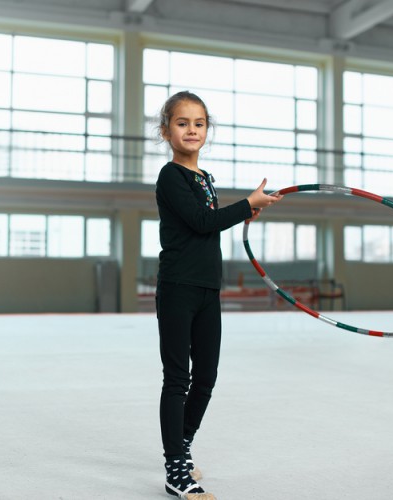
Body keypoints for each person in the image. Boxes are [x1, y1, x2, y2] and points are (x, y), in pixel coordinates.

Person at [154, 90, 282, 499]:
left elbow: (210, 221)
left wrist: (245, 208)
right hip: (178, 288)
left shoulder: (204, 178)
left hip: (209, 289)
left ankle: (183, 444)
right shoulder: (170, 176)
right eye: (182, 123)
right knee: (178, 379)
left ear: (207, 129)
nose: (192, 130)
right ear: (166, 130)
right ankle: (175, 470)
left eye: (199, 123)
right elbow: (200, 222)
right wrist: (246, 205)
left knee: (206, 377)